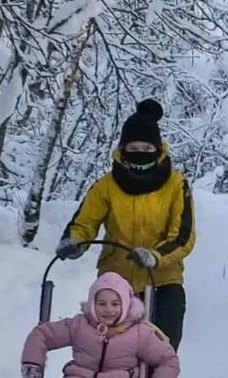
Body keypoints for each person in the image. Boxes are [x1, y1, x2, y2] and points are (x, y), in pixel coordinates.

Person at [56, 99, 196, 352]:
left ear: (157, 147)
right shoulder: (106, 186)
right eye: (133, 147)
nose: (140, 152)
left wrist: (155, 256)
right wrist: (74, 242)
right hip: (117, 282)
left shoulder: (177, 185)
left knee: (162, 348)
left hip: (164, 280)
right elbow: (84, 222)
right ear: (123, 148)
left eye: (146, 147)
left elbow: (183, 236)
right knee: (111, 351)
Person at [20, 272, 180, 378]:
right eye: (102, 304)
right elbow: (42, 335)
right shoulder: (79, 324)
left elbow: (168, 361)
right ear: (92, 304)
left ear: (125, 305)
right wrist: (32, 368)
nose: (108, 310)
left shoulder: (139, 333)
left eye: (115, 304)